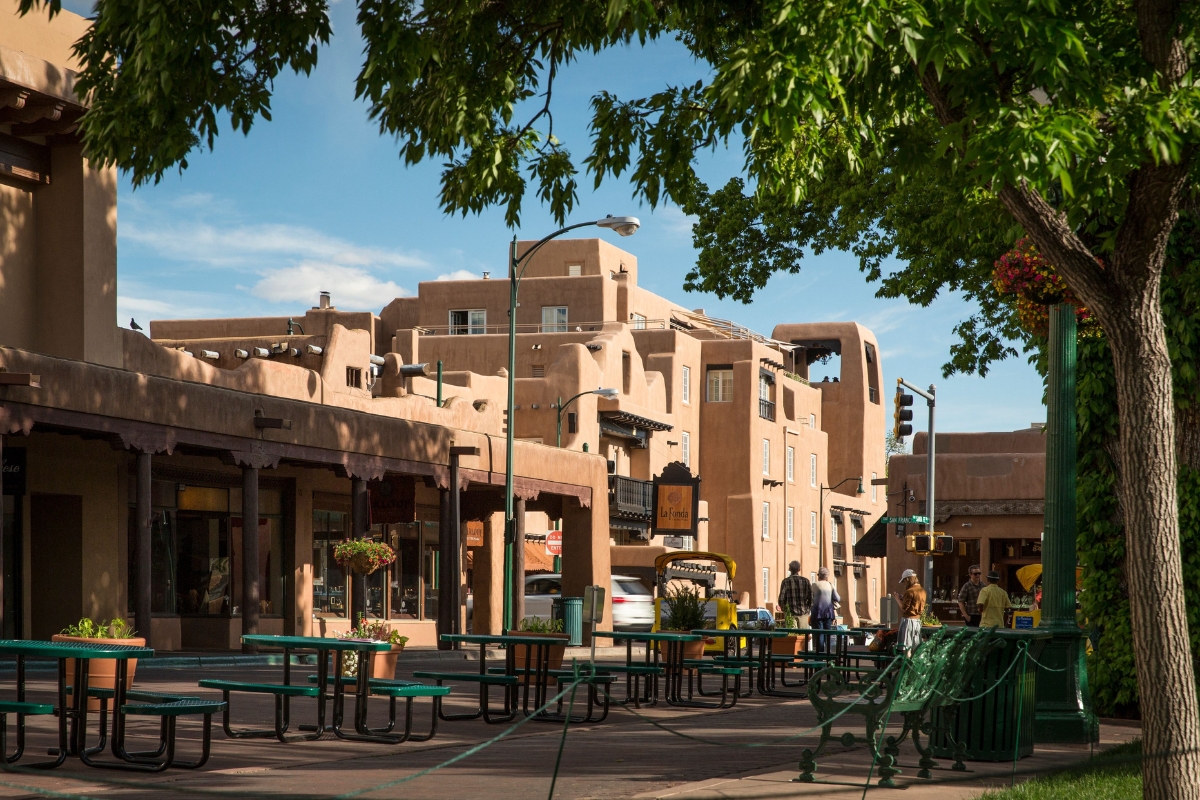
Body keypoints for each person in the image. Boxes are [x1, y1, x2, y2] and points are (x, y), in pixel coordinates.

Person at [891, 569, 926, 654]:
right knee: (915, 647)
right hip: (917, 621)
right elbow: (914, 601)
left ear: (907, 579)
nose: (904, 584)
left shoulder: (909, 591)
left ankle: (907, 666)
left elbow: (904, 608)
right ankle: (913, 666)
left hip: (908, 621)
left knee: (906, 648)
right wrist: (902, 597)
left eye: (904, 581)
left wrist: (897, 598)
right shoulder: (922, 591)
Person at [810, 567, 840, 653]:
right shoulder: (830, 585)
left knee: (820, 634)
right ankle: (828, 654)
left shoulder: (814, 585)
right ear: (827, 576)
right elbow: (837, 598)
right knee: (828, 634)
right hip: (828, 612)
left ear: (818, 575)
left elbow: (810, 598)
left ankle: (820, 654)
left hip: (817, 612)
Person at [777, 561, 813, 626]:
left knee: (792, 635)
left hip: (790, 614)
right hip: (803, 613)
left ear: (789, 569)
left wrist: (785, 610)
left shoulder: (785, 582)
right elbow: (811, 597)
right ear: (799, 569)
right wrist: (808, 610)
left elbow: (781, 599)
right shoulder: (806, 581)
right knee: (803, 635)